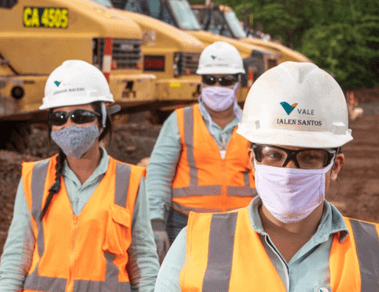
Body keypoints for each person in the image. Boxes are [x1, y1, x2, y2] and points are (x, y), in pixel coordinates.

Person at [154, 62, 379, 291]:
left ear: (335, 166)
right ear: (252, 160)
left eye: (309, 156)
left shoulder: (373, 249)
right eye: (273, 154)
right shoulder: (194, 244)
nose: (289, 171)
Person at [0, 60, 159, 291]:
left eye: (81, 116)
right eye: (59, 118)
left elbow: (143, 262)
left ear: (102, 118)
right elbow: (16, 258)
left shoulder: (130, 181)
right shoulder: (33, 178)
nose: (70, 125)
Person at [146, 42, 257, 262]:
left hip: (243, 225)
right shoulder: (179, 120)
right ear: (201, 82)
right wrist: (156, 222)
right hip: (186, 225)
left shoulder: (254, 125)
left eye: (225, 81)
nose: (217, 86)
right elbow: (158, 173)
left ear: (238, 83)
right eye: (210, 80)